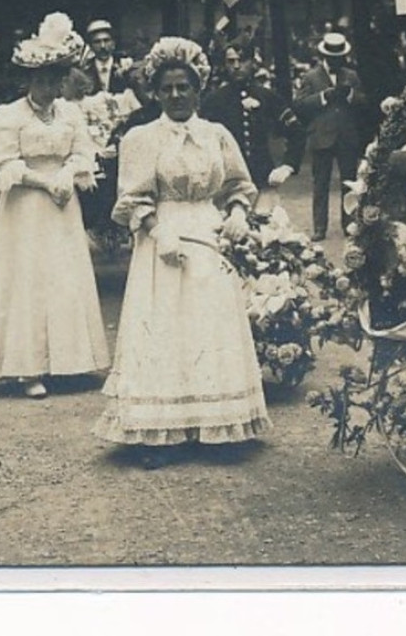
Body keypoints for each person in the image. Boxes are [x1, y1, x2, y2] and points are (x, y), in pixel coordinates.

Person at [96, 36, 269, 465]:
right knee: (166, 328)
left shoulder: (217, 135)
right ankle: (161, 431)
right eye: (167, 88)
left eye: (184, 87)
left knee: (209, 329)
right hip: (165, 242)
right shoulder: (140, 138)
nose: (176, 96)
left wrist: (237, 214)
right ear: (155, 91)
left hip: (209, 237)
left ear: (198, 89)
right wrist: (158, 231)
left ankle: (218, 425)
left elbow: (238, 185)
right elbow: (132, 199)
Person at [0, 13, 110, 397]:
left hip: (62, 205)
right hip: (27, 206)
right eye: (41, 79)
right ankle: (27, 368)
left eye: (55, 78)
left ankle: (69, 362)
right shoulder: (10, 115)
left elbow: (84, 152)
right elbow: (3, 162)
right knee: (29, 278)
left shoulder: (69, 112)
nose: (48, 85)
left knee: (64, 275)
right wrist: (44, 181)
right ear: (29, 81)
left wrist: (68, 175)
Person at [284, 32, 369, 240]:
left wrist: (350, 95)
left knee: (349, 183)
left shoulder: (351, 75)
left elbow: (364, 102)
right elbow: (299, 105)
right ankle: (319, 228)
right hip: (321, 137)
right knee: (320, 183)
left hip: (346, 136)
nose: (336, 61)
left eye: (340, 58)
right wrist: (323, 97)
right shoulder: (311, 76)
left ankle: (349, 224)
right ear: (326, 56)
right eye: (333, 58)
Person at [201, 43, 290, 189]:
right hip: (226, 179)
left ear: (252, 62)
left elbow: (295, 131)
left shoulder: (267, 97)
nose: (236, 66)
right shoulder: (213, 101)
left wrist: (287, 166)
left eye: (241, 60)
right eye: (231, 61)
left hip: (262, 177)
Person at [82, 20, 136, 97]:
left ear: (113, 43)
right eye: (97, 42)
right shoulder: (85, 71)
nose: (103, 46)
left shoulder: (125, 66)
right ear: (90, 46)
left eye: (106, 40)